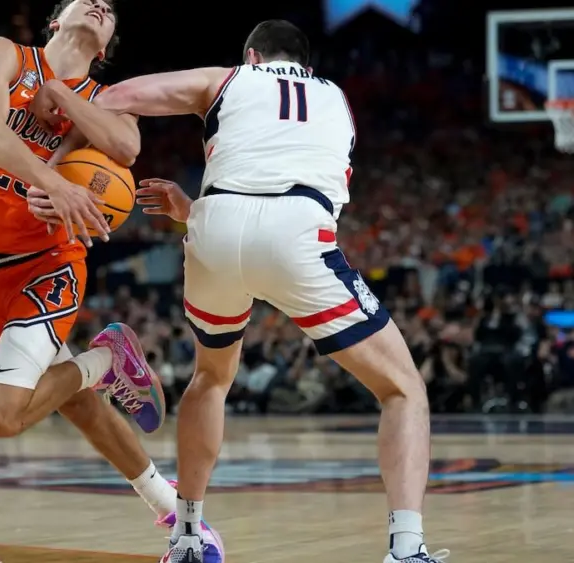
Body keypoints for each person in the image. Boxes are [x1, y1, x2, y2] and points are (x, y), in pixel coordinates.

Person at [28, 19, 447, 563]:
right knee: (403, 390)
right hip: (299, 230)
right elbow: (282, 176)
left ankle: (186, 537)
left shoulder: (225, 79)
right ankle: (406, 549)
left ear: (251, 56)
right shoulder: (338, 101)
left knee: (210, 379)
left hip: (216, 225)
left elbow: (114, 97)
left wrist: (58, 100)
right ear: (306, 66)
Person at [0, 0, 223, 558]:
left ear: (106, 46)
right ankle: (169, 505)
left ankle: (102, 362)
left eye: (109, 9)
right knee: (70, 398)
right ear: (55, 20)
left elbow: (126, 147)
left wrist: (65, 94)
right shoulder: (5, 54)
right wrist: (56, 181)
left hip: (48, 264)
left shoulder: (109, 97)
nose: (99, 3)